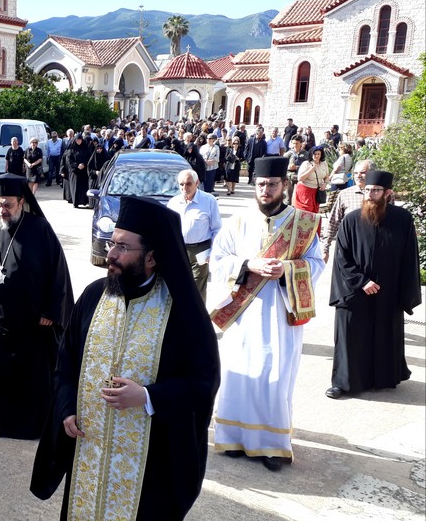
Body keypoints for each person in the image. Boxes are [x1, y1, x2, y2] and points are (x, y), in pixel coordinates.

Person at [31, 195, 219, 521]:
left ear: (152, 257)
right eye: (111, 241)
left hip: (148, 457)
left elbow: (204, 382)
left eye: (121, 246)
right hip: (90, 446)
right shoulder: (93, 297)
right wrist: (66, 409)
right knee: (80, 515)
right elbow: (66, 365)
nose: (110, 253)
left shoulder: (181, 311)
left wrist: (149, 398)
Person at [210, 157, 325, 472]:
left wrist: (287, 268)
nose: (265, 189)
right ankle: (233, 437)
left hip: (280, 316)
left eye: (272, 184)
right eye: (260, 184)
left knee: (274, 377)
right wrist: (248, 265)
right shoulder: (237, 221)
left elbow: (317, 263)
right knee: (238, 373)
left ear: (283, 186)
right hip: (244, 317)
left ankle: (272, 446)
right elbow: (217, 259)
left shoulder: (301, 224)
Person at [0, 173, 74, 439]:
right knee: (2, 377)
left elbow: (58, 272)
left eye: (8, 205)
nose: (2, 210)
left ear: (22, 202)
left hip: (32, 322)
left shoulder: (39, 229)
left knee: (34, 379)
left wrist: (51, 310)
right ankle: (1, 423)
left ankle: (36, 426)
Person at [326, 170, 421, 399]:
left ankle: (383, 378)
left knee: (385, 333)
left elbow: (410, 257)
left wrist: (405, 293)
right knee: (350, 333)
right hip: (354, 290)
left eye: (376, 191)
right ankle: (344, 383)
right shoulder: (351, 220)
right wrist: (361, 282)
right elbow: (342, 258)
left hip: (388, 291)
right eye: (367, 190)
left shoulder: (402, 219)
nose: (370, 195)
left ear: (388, 193)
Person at [167, 169, 222, 302]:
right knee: (178, 286)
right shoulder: (173, 202)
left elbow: (217, 229)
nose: (184, 188)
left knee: (196, 288)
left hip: (200, 250)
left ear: (197, 183)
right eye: (181, 184)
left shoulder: (208, 200)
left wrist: (212, 252)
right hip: (179, 249)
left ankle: (198, 318)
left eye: (188, 184)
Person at [321, 159, 374, 264]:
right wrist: (325, 249)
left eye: (363, 173)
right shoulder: (345, 194)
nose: (358, 176)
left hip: (374, 247)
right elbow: (333, 222)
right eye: (355, 173)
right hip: (350, 247)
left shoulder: (382, 195)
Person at [293, 146, 329, 230]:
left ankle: (312, 231)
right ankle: (301, 230)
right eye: (315, 154)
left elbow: (327, 176)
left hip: (317, 191)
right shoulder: (306, 163)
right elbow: (300, 178)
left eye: (318, 154)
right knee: (305, 213)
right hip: (305, 191)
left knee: (314, 212)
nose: (316, 156)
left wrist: (325, 184)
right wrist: (311, 170)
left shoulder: (324, 163)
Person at [67, 134, 92, 207]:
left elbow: (89, 159)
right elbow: (69, 160)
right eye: (77, 140)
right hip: (75, 172)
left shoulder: (86, 149)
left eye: (80, 140)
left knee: (84, 187)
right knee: (76, 187)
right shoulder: (71, 150)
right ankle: (76, 202)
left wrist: (84, 164)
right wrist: (77, 165)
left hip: (84, 172)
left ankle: (84, 201)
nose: (78, 141)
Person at [285, 135, 308, 204]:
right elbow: (282, 164)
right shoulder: (289, 153)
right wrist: (288, 167)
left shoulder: (306, 154)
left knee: (300, 197)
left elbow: (308, 166)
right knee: (288, 197)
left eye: (297, 143)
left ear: (301, 143)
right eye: (294, 143)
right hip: (290, 177)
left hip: (301, 177)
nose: (295, 145)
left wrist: (297, 167)